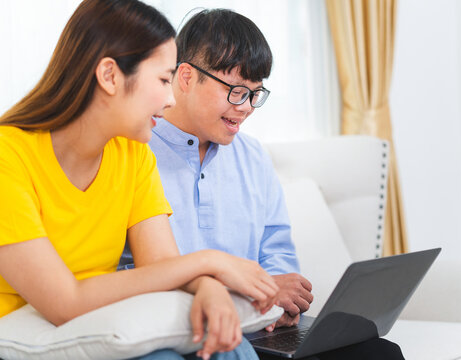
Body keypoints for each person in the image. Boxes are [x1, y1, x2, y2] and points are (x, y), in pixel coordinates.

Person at [0, 1, 279, 360]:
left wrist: (207, 288)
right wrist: (211, 262)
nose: (168, 100)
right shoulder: (9, 156)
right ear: (110, 76)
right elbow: (64, 302)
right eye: (164, 80)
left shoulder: (132, 154)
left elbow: (160, 262)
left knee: (229, 344)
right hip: (27, 334)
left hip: (101, 320)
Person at [121, 8, 404, 360]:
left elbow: (276, 252)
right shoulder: (135, 150)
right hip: (186, 326)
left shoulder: (253, 157)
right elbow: (132, 271)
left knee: (378, 352)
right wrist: (251, 292)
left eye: (256, 94)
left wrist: (284, 298)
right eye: (237, 91)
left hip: (260, 326)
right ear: (187, 77)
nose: (246, 108)